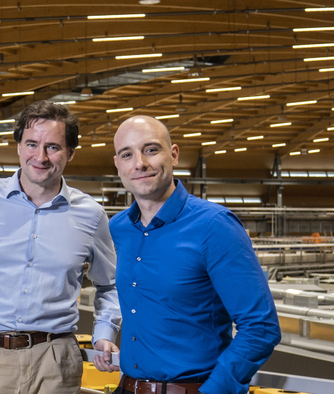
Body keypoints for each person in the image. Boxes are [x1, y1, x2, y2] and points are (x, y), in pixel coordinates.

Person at [0, 100, 121, 394]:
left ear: (70, 153)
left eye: (52, 147)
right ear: (18, 146)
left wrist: (104, 333)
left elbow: (110, 285)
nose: (40, 156)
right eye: (31, 144)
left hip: (56, 361)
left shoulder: (91, 215)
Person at [104, 115, 281, 394]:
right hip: (128, 387)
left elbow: (260, 327)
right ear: (118, 165)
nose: (140, 163)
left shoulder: (214, 226)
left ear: (173, 155)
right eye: (128, 154)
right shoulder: (118, 228)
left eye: (151, 149)